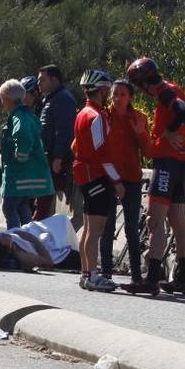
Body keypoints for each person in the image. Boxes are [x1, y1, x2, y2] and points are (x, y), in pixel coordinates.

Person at [127, 57, 185, 294]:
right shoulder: (172, 88)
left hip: (167, 165)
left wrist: (169, 131)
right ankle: (182, 278)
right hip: (179, 164)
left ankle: (151, 280)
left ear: (143, 83)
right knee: (178, 222)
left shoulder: (164, 92)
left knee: (154, 220)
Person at [96, 79, 152, 291]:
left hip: (131, 178)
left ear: (130, 98)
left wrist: (140, 132)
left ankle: (136, 275)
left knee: (132, 227)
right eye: (115, 94)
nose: (117, 98)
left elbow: (148, 151)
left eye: (122, 94)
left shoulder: (139, 118)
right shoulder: (103, 117)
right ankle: (106, 272)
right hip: (108, 177)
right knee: (107, 226)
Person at [73, 70, 123, 292]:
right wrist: (117, 181)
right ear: (102, 90)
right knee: (96, 230)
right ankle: (93, 275)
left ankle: (86, 273)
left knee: (87, 228)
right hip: (95, 176)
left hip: (84, 175)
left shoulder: (82, 112)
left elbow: (74, 146)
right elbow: (102, 153)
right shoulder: (96, 116)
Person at [0, 79, 53, 229]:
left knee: (9, 208)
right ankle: (28, 238)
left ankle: (15, 241)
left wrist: (20, 154)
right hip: (26, 176)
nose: (2, 104)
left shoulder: (18, 117)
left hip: (17, 177)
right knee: (23, 209)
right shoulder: (28, 115)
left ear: (8, 100)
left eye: (2, 100)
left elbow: (23, 135)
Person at [34, 64, 76, 220]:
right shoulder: (49, 99)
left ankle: (36, 238)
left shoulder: (63, 99)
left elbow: (64, 131)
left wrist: (58, 157)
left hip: (55, 159)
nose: (39, 83)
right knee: (41, 201)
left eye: (42, 80)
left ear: (54, 79)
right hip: (45, 158)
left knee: (43, 203)